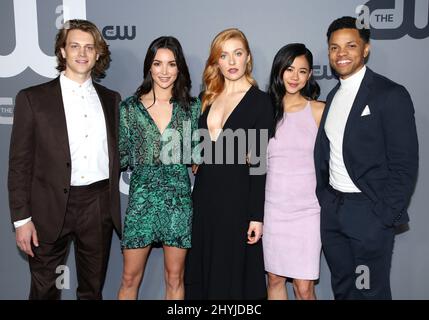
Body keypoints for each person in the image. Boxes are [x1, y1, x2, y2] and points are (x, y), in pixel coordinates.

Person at [8, 19, 121, 299]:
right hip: (48, 206)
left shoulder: (112, 99)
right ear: (62, 52)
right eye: (74, 46)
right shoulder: (32, 99)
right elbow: (19, 164)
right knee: (44, 290)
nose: (82, 53)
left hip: (98, 205)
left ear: (98, 54)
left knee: (92, 290)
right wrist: (21, 220)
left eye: (89, 47)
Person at [314, 16, 419, 299]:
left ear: (366, 49)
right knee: (344, 289)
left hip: (368, 213)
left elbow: (404, 164)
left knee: (369, 292)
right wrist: (326, 200)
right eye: (334, 48)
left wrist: (383, 215)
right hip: (334, 211)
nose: (341, 54)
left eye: (350, 45)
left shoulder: (390, 94)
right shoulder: (334, 94)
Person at [185, 28, 273, 300]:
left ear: (248, 58)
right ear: (216, 62)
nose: (232, 62)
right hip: (204, 198)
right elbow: (200, 149)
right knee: (203, 269)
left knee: (232, 273)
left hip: (237, 199)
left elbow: (258, 165)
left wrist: (256, 216)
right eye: (224, 55)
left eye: (238, 54)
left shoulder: (261, 102)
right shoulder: (206, 99)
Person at [117, 36, 200, 300]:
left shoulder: (192, 108)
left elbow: (200, 154)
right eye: (158, 63)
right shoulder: (130, 109)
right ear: (149, 67)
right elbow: (118, 156)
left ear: (180, 69)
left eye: (171, 64)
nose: (164, 71)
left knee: (174, 278)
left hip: (178, 201)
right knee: (129, 278)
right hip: (141, 201)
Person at [264, 43, 324, 300]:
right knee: (275, 280)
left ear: (309, 75)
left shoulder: (319, 110)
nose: (295, 77)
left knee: (303, 287)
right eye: (289, 69)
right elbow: (252, 161)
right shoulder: (264, 110)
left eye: (302, 71)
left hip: (308, 212)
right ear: (279, 70)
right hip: (272, 209)